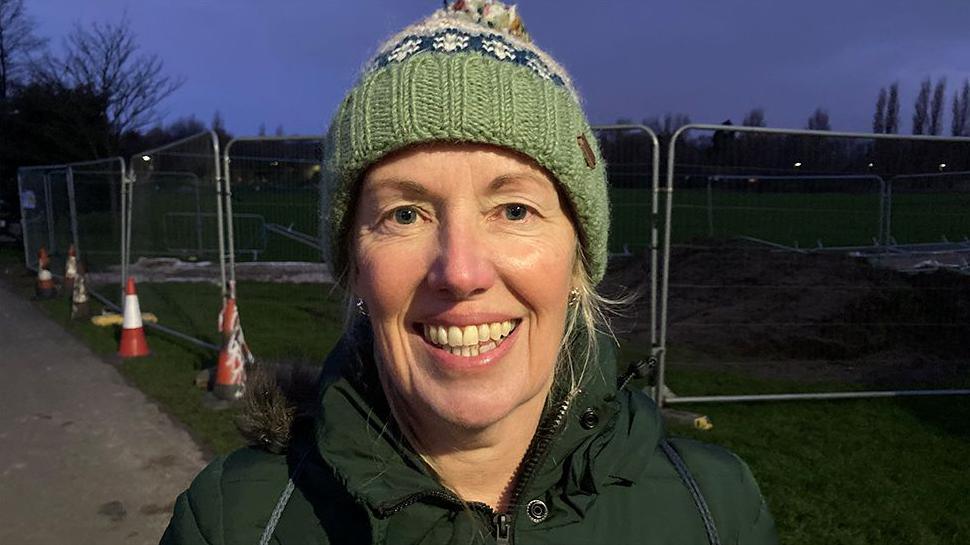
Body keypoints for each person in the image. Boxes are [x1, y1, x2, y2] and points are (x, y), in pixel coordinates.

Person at [161, 2, 777, 543]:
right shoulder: (234, 524)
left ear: (577, 260)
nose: (460, 272)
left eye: (514, 209)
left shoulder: (715, 512)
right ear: (354, 266)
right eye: (405, 214)